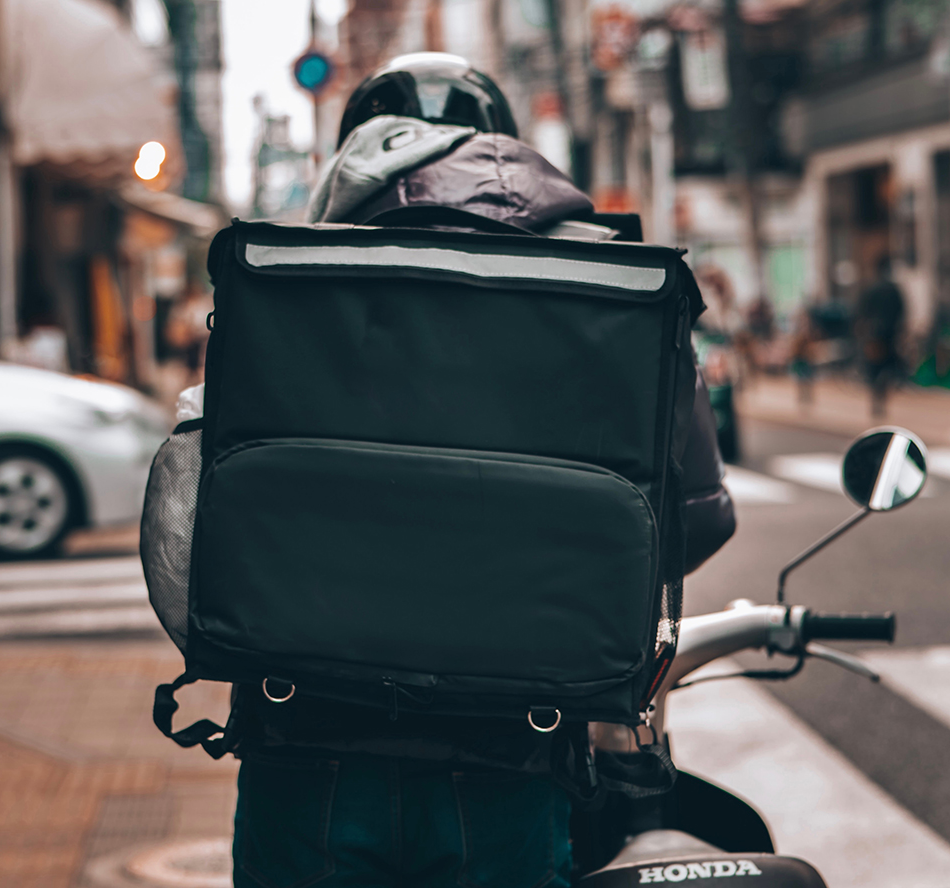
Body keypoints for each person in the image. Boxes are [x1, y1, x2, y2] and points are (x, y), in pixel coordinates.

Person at [231, 53, 736, 888]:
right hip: (514, 751)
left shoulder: (292, 273)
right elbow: (700, 516)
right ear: (501, 140)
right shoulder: (608, 275)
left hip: (304, 740)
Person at [856, 255, 905, 418]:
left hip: (873, 336)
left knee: (873, 368)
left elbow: (861, 312)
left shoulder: (870, 289)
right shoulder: (893, 289)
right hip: (889, 335)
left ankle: (876, 401)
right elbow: (902, 311)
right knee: (888, 367)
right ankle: (882, 396)